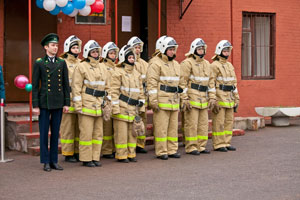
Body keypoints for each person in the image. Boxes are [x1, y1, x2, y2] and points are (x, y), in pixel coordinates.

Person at [32, 33, 70, 172]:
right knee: (43, 133)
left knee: (55, 132)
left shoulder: (61, 62)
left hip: (58, 102)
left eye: (56, 45)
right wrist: (35, 106)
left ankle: (54, 160)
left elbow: (66, 84)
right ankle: (45, 161)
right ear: (46, 47)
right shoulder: (39, 63)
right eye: (52, 45)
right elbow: (35, 85)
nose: (55, 48)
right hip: (44, 102)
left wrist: (67, 103)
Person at [147, 36, 186, 160]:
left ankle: (172, 149)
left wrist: (184, 98)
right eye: (170, 49)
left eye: (174, 49)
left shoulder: (176, 64)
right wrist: (153, 100)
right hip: (162, 102)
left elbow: (182, 84)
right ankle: (162, 151)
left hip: (174, 101)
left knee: (173, 128)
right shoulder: (155, 63)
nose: (173, 52)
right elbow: (151, 83)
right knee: (161, 128)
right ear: (163, 49)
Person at [72, 40, 110, 167]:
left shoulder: (103, 67)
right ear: (88, 53)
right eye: (93, 52)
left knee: (98, 134)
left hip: (99, 105)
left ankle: (95, 157)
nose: (95, 54)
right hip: (86, 105)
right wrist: (78, 105)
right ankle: (86, 158)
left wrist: (107, 103)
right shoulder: (81, 67)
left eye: (97, 52)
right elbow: (76, 87)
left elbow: (107, 87)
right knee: (86, 134)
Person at [111, 45, 145, 163]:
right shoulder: (117, 72)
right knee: (121, 134)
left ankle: (131, 153)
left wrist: (142, 105)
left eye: (132, 57)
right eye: (129, 57)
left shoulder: (137, 74)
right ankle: (121, 155)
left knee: (132, 133)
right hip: (122, 107)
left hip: (133, 108)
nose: (131, 59)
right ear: (123, 58)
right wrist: (115, 108)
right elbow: (113, 91)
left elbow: (141, 91)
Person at [180, 38, 214, 155]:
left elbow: (211, 82)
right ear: (193, 50)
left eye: (202, 49)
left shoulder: (207, 64)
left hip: (203, 99)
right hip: (192, 98)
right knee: (191, 124)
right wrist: (184, 98)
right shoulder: (187, 63)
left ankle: (201, 146)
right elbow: (182, 82)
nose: (201, 51)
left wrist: (212, 97)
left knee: (203, 124)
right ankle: (191, 147)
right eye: (199, 49)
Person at [209, 40, 240, 152]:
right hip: (220, 97)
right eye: (225, 51)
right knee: (219, 122)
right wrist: (213, 98)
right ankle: (218, 144)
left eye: (228, 51)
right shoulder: (214, 65)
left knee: (228, 122)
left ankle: (227, 142)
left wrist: (237, 98)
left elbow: (234, 83)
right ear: (219, 51)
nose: (227, 53)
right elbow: (211, 83)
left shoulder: (229, 65)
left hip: (230, 97)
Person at [59, 35, 82, 162]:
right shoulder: (63, 63)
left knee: (79, 127)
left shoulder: (81, 63)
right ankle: (68, 152)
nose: (76, 50)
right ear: (68, 48)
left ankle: (78, 151)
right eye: (74, 47)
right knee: (67, 127)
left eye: (77, 47)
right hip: (67, 98)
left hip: (79, 99)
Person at [127, 36, 148, 153]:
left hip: (142, 95)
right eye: (135, 47)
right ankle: (132, 144)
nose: (138, 50)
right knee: (132, 120)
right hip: (131, 97)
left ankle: (140, 143)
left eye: (139, 47)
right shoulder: (128, 62)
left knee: (142, 119)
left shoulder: (145, 64)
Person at [100, 42, 119, 159]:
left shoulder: (117, 67)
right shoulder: (102, 66)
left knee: (115, 126)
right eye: (111, 53)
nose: (113, 55)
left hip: (116, 99)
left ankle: (114, 148)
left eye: (114, 53)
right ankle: (107, 150)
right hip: (107, 99)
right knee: (106, 126)